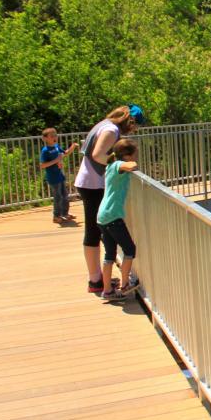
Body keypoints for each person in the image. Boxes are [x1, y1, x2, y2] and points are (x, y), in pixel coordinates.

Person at [75, 104, 145, 293]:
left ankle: (98, 278)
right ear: (130, 121)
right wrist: (119, 165)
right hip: (92, 184)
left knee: (97, 231)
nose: (134, 129)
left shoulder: (105, 124)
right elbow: (98, 155)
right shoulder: (111, 129)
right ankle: (95, 281)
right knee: (93, 232)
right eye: (135, 126)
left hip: (89, 182)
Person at [97, 138, 140, 301]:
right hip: (113, 215)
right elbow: (130, 166)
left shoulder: (109, 165)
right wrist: (131, 163)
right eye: (133, 155)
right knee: (130, 249)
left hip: (103, 216)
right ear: (127, 155)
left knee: (110, 254)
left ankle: (107, 290)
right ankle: (125, 285)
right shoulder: (116, 165)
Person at [39, 128, 78, 224]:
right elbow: (42, 165)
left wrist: (72, 147)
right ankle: (56, 216)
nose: (54, 137)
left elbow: (64, 153)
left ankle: (65, 214)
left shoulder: (56, 146)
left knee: (65, 195)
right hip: (53, 176)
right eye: (51, 136)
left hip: (60, 175)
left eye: (55, 135)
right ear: (45, 139)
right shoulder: (45, 150)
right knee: (58, 197)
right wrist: (56, 160)